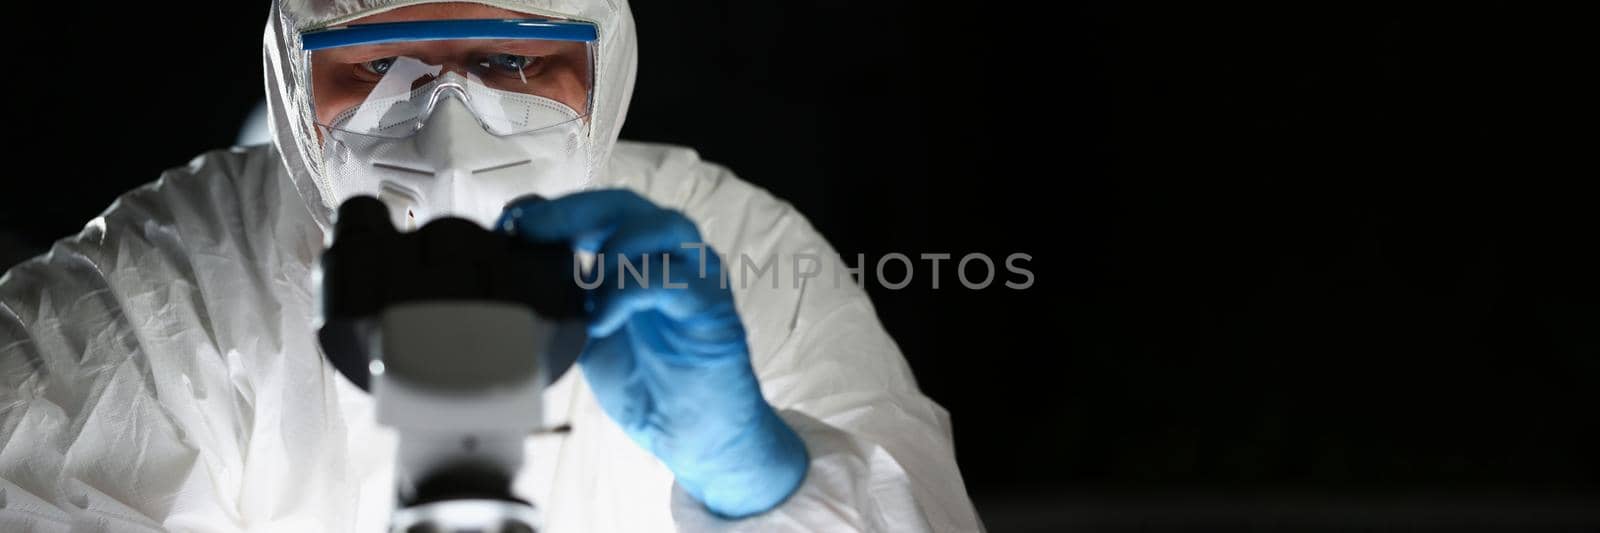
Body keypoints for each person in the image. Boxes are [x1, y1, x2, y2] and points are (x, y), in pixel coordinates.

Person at [0, 1, 981, 531]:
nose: (451, 132)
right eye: (376, 70)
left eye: (514, 64)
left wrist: (763, 482)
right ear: (297, 92)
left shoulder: (731, 250)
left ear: (601, 67)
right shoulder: (174, 278)